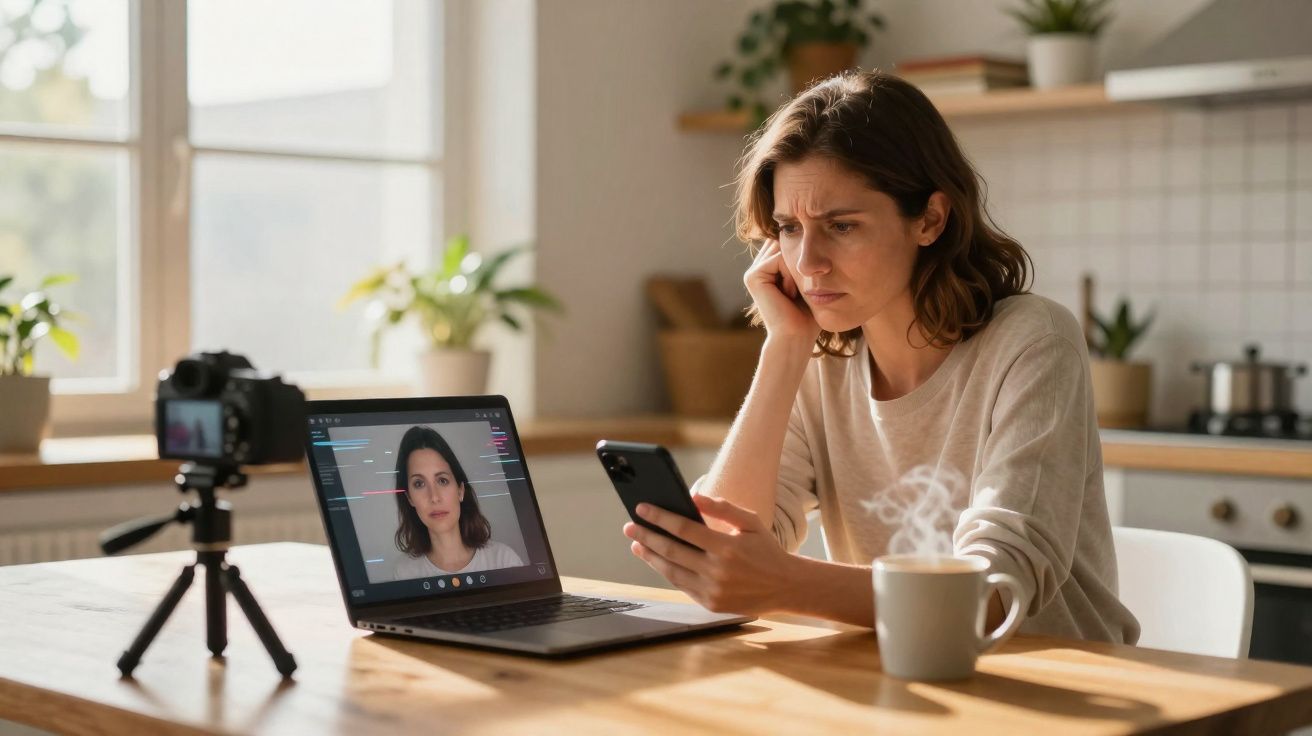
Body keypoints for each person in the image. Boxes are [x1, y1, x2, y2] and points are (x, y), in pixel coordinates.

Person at [623, 71, 1139, 644]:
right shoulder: (820, 358)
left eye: (841, 226)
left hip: (1053, 692)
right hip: (898, 684)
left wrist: (786, 583)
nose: (808, 261)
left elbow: (996, 595)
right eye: (789, 228)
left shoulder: (1032, 343)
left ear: (930, 219)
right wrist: (784, 347)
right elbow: (723, 543)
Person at [391, 425, 523, 580]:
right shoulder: (404, 573)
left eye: (442, 480)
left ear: (460, 490)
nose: (434, 497)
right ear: (409, 498)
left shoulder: (504, 560)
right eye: (419, 484)